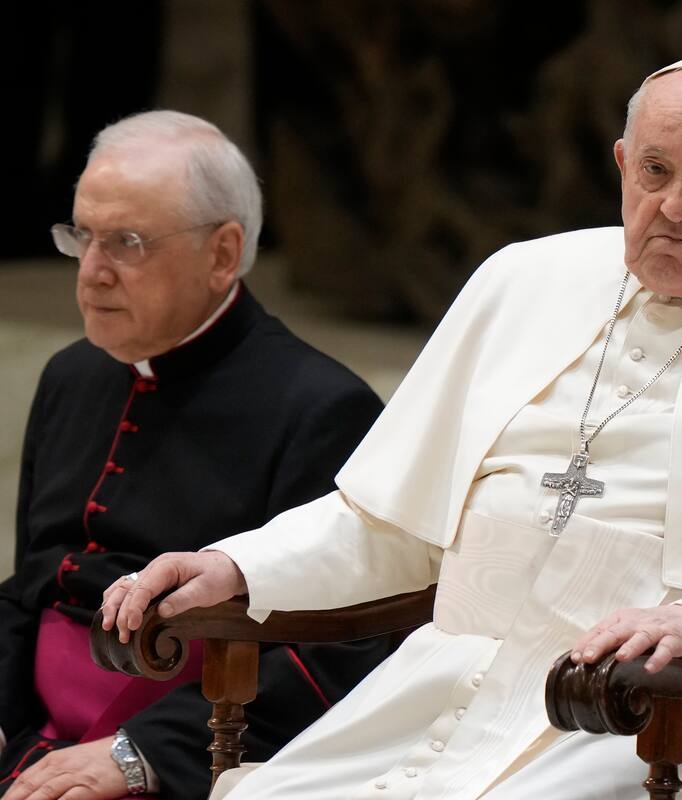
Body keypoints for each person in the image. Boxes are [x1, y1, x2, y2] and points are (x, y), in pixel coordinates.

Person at [104, 58, 682, 799]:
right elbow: (392, 525)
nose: (671, 206)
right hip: (456, 669)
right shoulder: (521, 281)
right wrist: (235, 564)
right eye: (654, 171)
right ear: (622, 164)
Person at [0, 111, 391, 800]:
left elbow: (341, 653)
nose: (91, 273)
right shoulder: (72, 375)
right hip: (33, 737)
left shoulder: (323, 408)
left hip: (184, 754)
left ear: (221, 253)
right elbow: (32, 585)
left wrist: (140, 755)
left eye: (126, 242)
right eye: (82, 237)